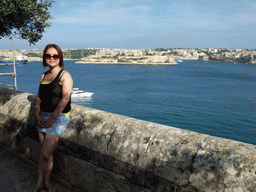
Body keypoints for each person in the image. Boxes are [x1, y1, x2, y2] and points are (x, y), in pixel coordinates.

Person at [32, 44, 73, 192]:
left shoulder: (65, 76)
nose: (51, 58)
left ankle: (47, 183)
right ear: (44, 58)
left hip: (59, 117)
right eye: (48, 55)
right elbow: (39, 97)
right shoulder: (44, 76)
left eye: (55, 56)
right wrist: (37, 112)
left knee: (46, 153)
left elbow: (65, 98)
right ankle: (40, 182)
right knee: (42, 152)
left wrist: (53, 117)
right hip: (42, 116)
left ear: (60, 58)